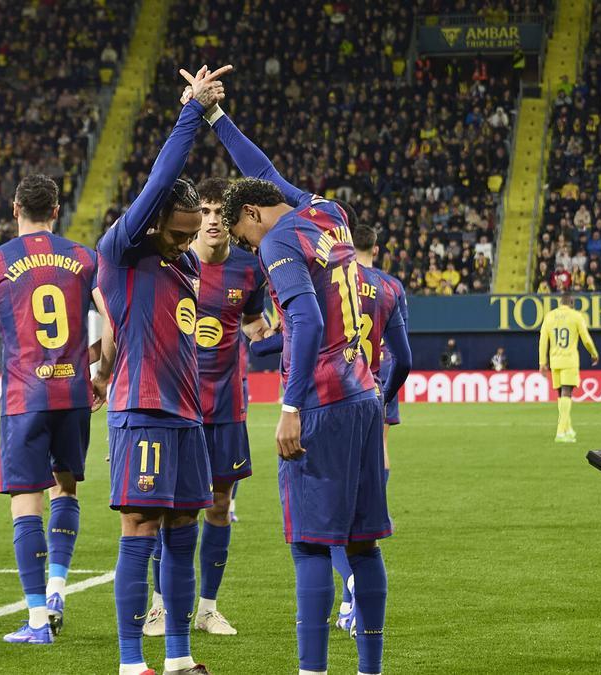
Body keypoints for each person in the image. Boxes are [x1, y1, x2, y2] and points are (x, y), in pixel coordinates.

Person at [211, 87, 393, 674]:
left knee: (312, 545)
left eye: (243, 232)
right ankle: (369, 670)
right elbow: (264, 174)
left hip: (320, 402)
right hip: (364, 394)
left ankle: (312, 671)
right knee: (361, 544)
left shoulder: (279, 241)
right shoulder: (329, 214)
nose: (245, 244)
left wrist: (290, 406)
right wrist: (217, 117)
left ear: (253, 216)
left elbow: (308, 318)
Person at [92, 64, 229, 675]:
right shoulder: (121, 249)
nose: (187, 239)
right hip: (143, 413)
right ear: (158, 221)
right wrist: (191, 112)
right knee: (141, 527)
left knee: (183, 532)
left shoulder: (187, 267)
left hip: (187, 416)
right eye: (180, 230)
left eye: (192, 230)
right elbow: (158, 182)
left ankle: (177, 657)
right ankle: (130, 662)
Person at [0, 174, 98, 645]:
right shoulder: (82, 257)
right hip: (73, 394)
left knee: (25, 504)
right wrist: (101, 367)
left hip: (24, 398)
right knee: (66, 490)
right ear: (56, 211)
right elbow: (116, 321)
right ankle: (56, 591)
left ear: (15, 209)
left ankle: (36, 620)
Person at [248, 222, 411, 641]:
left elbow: (302, 328)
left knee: (318, 527)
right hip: (370, 398)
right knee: (365, 529)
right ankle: (360, 621)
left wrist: (257, 345)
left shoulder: (324, 277)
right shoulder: (390, 288)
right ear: (377, 245)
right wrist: (383, 395)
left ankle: (347, 593)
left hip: (327, 396)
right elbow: (405, 358)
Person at [143, 177, 271, 639]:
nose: (214, 220)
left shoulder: (249, 269)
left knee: (218, 507)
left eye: (221, 212)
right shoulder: (172, 264)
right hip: (177, 406)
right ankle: (159, 606)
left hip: (227, 409)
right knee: (166, 508)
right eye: (208, 212)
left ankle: (208, 608)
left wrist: (273, 339)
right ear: (196, 219)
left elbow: (256, 325)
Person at [538, 292, 599, 443]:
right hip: (569, 360)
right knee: (567, 393)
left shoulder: (550, 316)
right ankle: (560, 431)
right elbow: (586, 339)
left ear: (560, 302)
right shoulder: (576, 316)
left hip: (555, 361)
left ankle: (568, 429)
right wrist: (594, 353)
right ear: (571, 303)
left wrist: (542, 362)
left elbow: (543, 341)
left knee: (560, 395)